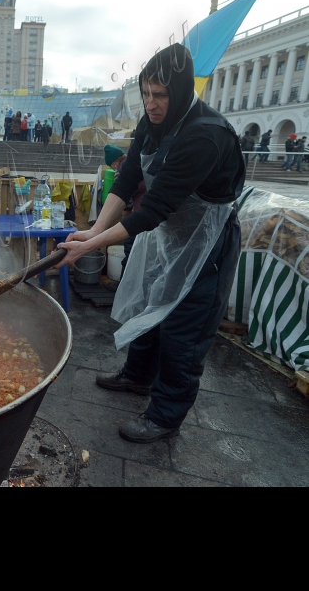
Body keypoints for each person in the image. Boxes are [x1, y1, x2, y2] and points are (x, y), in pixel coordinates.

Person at [55, 43, 245, 444]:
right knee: (146, 300)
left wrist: (90, 248)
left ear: (179, 92)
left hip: (206, 244)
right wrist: (93, 231)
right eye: (145, 93)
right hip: (168, 236)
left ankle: (165, 415)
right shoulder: (150, 122)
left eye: (160, 95)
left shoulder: (205, 135)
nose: (151, 103)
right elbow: (127, 183)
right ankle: (138, 376)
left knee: (184, 332)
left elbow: (152, 209)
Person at [103, 144, 147, 274]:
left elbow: (124, 196)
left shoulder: (123, 169)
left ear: (114, 162)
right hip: (149, 212)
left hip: (142, 213)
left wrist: (124, 217)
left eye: (111, 165)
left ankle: (122, 287)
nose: (113, 168)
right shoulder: (136, 162)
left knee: (130, 248)